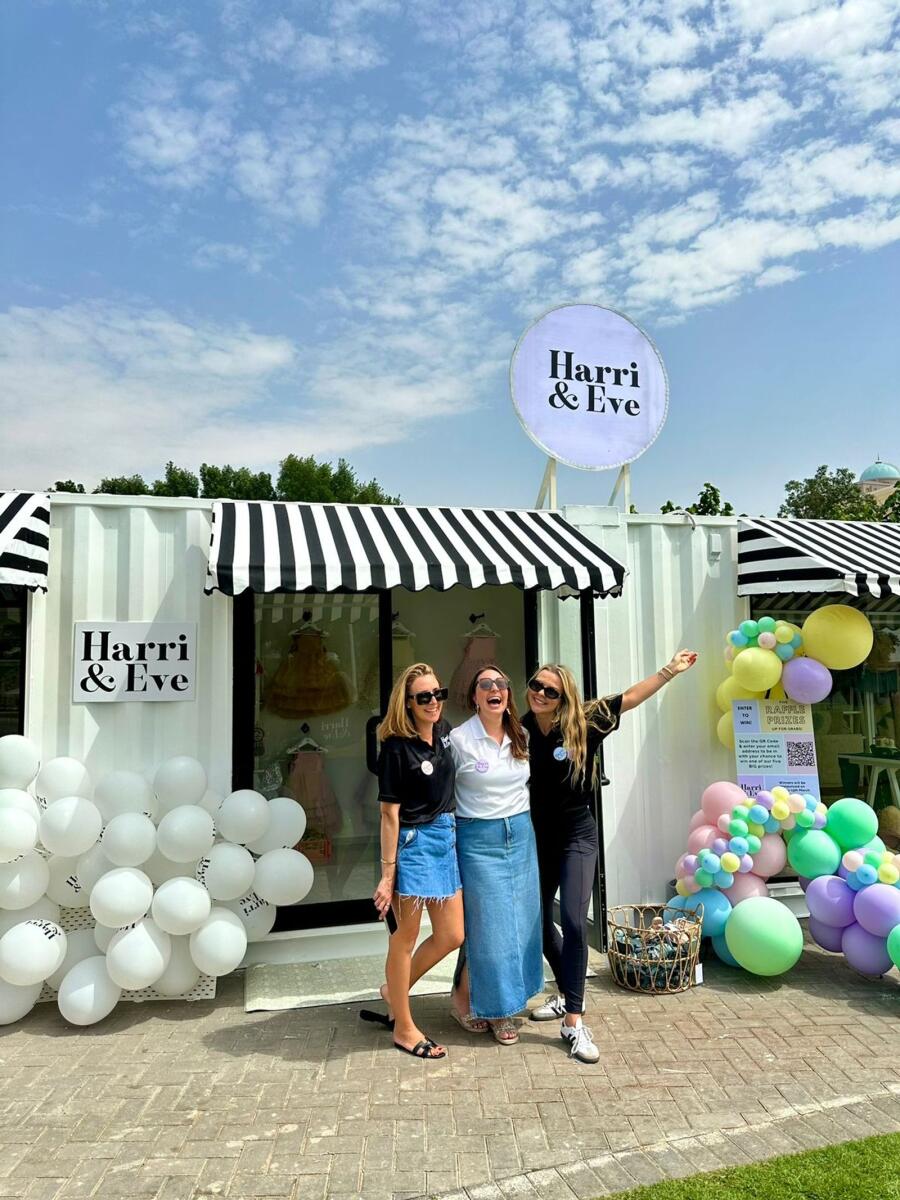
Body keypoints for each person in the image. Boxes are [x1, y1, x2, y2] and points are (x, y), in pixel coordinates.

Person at [524, 651, 698, 1063]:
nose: (541, 694)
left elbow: (630, 698)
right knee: (535, 917)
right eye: (536, 686)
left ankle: (575, 1022)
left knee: (572, 918)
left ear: (564, 696)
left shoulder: (584, 721)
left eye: (551, 690)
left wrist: (669, 671)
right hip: (538, 836)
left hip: (577, 835)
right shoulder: (522, 726)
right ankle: (567, 993)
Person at [367, 663, 464, 1060]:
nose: (433, 702)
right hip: (413, 841)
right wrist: (387, 874)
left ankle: (394, 991)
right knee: (403, 938)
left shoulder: (444, 733)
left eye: (437, 694)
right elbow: (389, 814)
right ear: (406, 703)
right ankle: (404, 1028)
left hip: (446, 836)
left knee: (452, 935)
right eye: (423, 697)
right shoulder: (395, 747)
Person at [449, 664, 542, 1045]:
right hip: (478, 838)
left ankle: (463, 999)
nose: (494, 689)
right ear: (475, 696)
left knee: (519, 922)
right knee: (490, 927)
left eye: (501, 683)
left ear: (508, 693)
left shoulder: (520, 734)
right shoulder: (459, 739)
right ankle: (498, 1011)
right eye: (485, 684)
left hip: (520, 834)